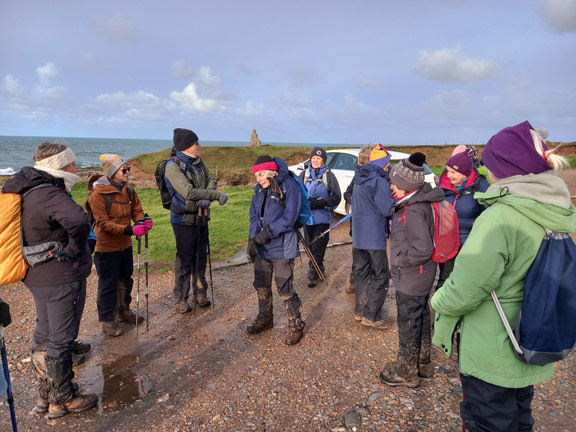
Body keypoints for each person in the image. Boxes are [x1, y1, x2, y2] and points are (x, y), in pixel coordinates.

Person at [431, 121, 575, 431]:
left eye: (489, 165)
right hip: (531, 336)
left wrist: (438, 299)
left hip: (494, 348)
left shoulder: (499, 218)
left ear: (504, 170)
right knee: (520, 416)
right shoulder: (554, 210)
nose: (485, 171)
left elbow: (465, 290)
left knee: (489, 420)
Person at [2, 142, 98, 418]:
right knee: (61, 338)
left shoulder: (25, 188)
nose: (75, 168)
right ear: (58, 166)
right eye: (71, 164)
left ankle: (46, 395)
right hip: (60, 276)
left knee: (44, 334)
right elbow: (78, 221)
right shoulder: (48, 192)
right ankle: (63, 399)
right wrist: (75, 249)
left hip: (37, 274)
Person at [379, 152, 445, 388]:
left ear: (407, 186)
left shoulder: (413, 210)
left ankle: (407, 371)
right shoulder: (417, 202)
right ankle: (423, 361)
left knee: (408, 321)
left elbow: (423, 249)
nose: (391, 187)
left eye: (394, 184)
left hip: (411, 276)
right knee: (421, 315)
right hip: (421, 276)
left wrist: (398, 260)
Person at [164, 128, 228, 313]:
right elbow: (188, 192)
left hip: (201, 217)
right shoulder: (172, 166)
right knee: (185, 260)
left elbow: (211, 178)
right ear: (185, 146)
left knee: (201, 256)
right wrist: (214, 195)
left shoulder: (198, 162)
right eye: (195, 143)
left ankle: (200, 292)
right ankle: (181, 299)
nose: (199, 145)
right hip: (183, 220)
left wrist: (207, 197)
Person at [89, 154, 153, 336]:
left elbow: (137, 211)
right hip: (105, 247)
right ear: (112, 172)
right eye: (124, 170)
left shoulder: (129, 191)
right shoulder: (98, 194)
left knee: (126, 278)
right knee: (108, 284)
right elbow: (102, 223)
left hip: (125, 245)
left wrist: (142, 221)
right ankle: (107, 320)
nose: (127, 172)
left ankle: (123, 310)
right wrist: (130, 230)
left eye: (128, 169)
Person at [246, 155, 306, 345]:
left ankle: (296, 324)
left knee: (284, 288)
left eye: (261, 174)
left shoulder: (289, 185)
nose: (258, 178)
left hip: (282, 247)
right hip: (263, 248)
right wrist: (252, 239)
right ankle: (265, 318)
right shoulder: (259, 189)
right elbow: (254, 215)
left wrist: (267, 233)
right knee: (261, 284)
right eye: (256, 175)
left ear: (272, 171)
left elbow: (290, 217)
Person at [351, 144, 395, 329]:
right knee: (381, 275)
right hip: (374, 237)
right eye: (387, 165)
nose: (388, 168)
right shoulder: (378, 181)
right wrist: (395, 201)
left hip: (359, 237)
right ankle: (371, 315)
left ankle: (360, 311)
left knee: (361, 274)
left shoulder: (359, 178)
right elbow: (386, 209)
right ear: (382, 164)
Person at [435, 149, 490, 290]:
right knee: (445, 278)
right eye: (447, 171)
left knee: (466, 281)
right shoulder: (443, 186)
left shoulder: (479, 186)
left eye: (453, 172)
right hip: (447, 242)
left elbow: (489, 215)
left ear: (464, 173)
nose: (449, 175)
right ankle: (443, 309)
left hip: (469, 243)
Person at [299, 147, 341, 287]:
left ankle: (313, 273)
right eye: (313, 159)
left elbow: (336, 197)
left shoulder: (329, 176)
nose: (316, 161)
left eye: (319, 159)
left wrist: (322, 203)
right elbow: (297, 195)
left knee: (318, 246)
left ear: (323, 161)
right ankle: (319, 267)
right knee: (309, 246)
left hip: (322, 219)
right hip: (307, 219)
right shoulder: (303, 174)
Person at [343, 145, 374, 294]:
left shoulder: (379, 179)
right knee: (357, 253)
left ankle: (370, 283)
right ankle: (354, 281)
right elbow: (347, 193)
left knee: (373, 255)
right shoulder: (357, 177)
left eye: (365, 163)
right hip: (357, 224)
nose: (362, 166)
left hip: (373, 225)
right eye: (361, 163)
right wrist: (355, 200)